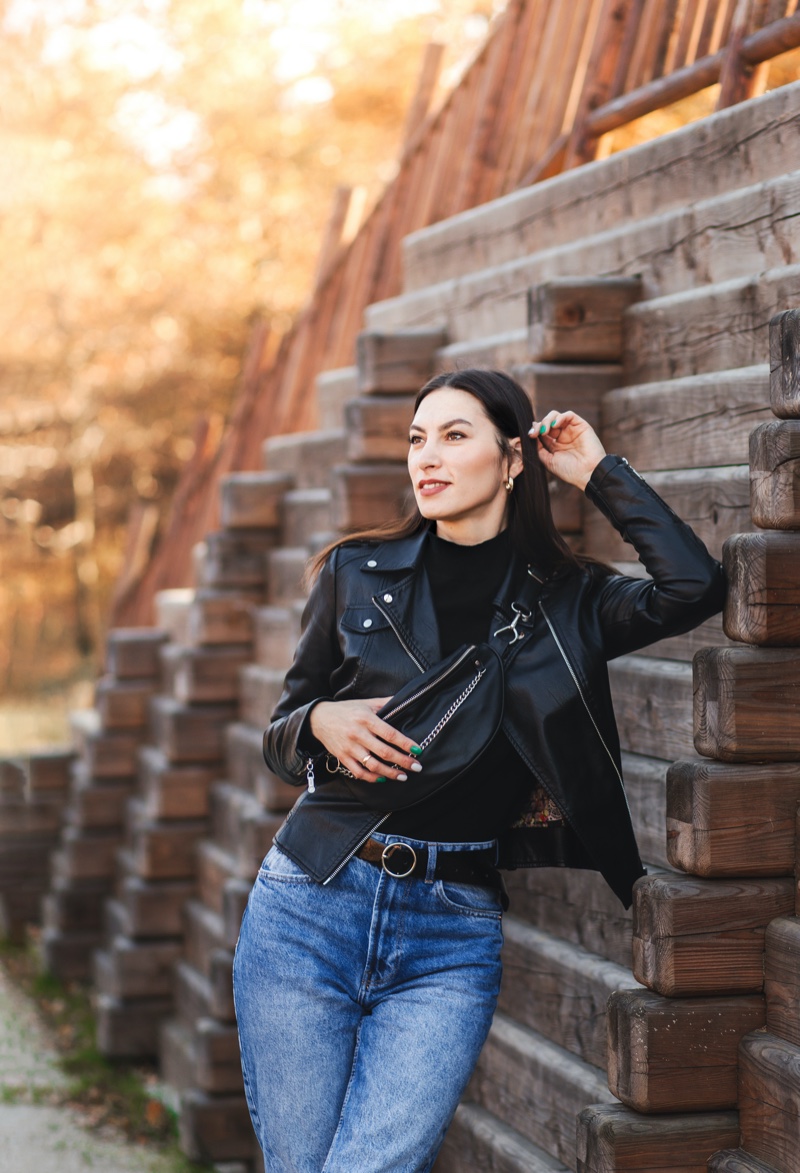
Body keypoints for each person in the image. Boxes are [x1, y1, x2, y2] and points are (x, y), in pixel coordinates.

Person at [233, 368, 726, 1173]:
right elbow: (282, 734)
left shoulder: (571, 601)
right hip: (310, 909)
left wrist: (599, 471)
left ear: (511, 462)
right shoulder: (355, 574)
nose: (426, 457)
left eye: (455, 436)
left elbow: (694, 586)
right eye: (416, 439)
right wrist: (319, 722)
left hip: (450, 933)